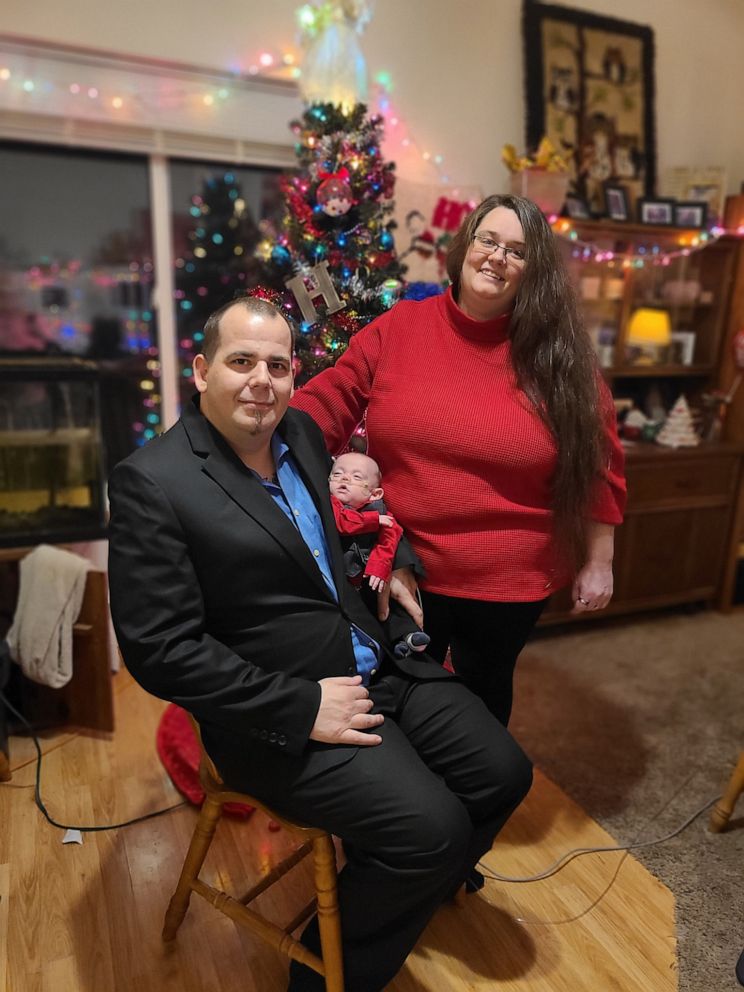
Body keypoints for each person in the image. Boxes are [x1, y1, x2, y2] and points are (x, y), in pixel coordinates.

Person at [107, 293, 533, 992]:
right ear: (201, 369)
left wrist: (393, 564)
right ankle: (325, 979)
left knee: (503, 775)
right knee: (433, 832)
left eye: (277, 364)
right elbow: (159, 649)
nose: (261, 380)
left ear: (295, 375)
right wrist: (301, 706)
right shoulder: (154, 483)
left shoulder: (301, 435)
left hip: (375, 659)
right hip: (278, 712)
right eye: (240, 361)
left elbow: (340, 533)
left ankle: (393, 888)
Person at [292, 193, 627, 726]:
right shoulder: (400, 328)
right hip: (401, 567)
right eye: (487, 240)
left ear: (533, 270)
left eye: (517, 251)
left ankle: (476, 805)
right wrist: (256, 428)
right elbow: (329, 398)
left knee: (480, 709)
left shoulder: (561, 355)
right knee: (399, 703)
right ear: (465, 246)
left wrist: (599, 560)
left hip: (509, 580)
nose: (497, 257)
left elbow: (599, 465)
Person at [329, 450, 430, 657]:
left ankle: (406, 637)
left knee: (391, 604)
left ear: (374, 494)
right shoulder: (331, 504)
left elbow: (389, 540)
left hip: (371, 576)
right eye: (338, 474)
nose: (345, 478)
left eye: (357, 477)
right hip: (342, 579)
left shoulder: (380, 511)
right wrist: (373, 521)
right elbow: (342, 523)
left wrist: (380, 567)